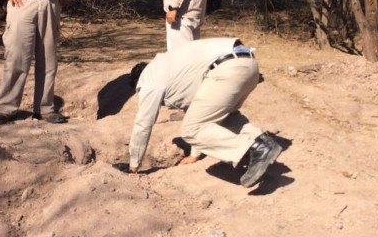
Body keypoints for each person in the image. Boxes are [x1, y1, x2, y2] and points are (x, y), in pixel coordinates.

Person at [120, 38, 282, 188]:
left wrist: (134, 164)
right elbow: (197, 110)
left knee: (190, 130)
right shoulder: (169, 68)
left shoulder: (149, 79)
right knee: (223, 114)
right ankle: (260, 140)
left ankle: (256, 148)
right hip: (248, 62)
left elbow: (143, 123)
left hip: (226, 67)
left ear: (137, 82)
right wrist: (194, 155)